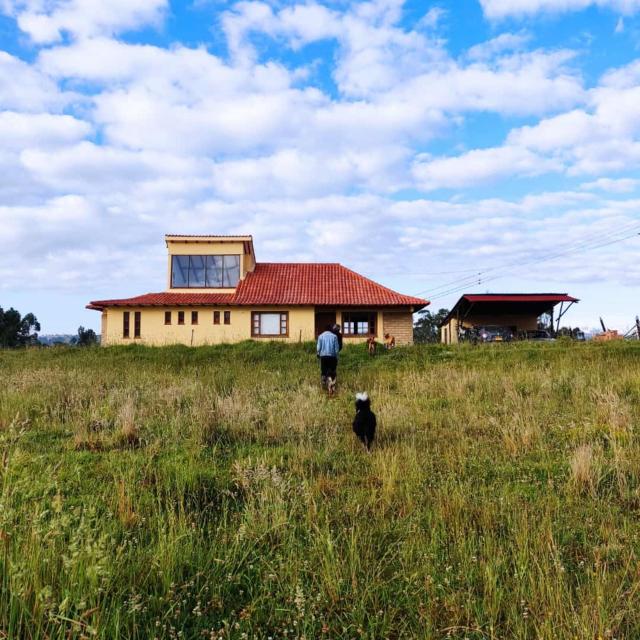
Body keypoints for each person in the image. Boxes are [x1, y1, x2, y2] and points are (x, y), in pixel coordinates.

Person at [317, 323, 340, 389]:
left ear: (324, 329)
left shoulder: (320, 336)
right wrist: (337, 356)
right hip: (332, 357)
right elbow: (336, 348)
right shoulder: (334, 336)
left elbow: (318, 347)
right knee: (332, 370)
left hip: (323, 356)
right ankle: (332, 383)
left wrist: (318, 353)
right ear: (330, 329)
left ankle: (324, 379)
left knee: (324, 369)